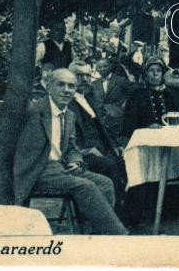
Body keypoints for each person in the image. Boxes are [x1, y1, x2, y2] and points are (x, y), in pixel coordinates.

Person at [13, 68, 128, 235]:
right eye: (61, 85)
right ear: (49, 86)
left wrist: (75, 161)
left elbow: (72, 147)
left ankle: (98, 232)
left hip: (61, 167)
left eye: (71, 86)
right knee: (86, 186)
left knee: (106, 183)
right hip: (38, 170)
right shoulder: (33, 112)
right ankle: (118, 234)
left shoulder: (69, 115)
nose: (66, 90)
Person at [67, 62, 126, 210]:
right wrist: (84, 151)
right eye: (79, 75)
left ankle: (129, 209)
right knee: (110, 165)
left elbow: (104, 127)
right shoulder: (66, 102)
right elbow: (65, 136)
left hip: (102, 147)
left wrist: (115, 146)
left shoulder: (90, 97)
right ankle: (114, 213)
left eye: (88, 75)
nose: (85, 79)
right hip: (82, 153)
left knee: (126, 159)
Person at [123, 57, 179, 136]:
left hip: (169, 135)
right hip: (145, 137)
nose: (155, 74)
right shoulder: (137, 95)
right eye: (151, 70)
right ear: (145, 74)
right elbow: (129, 124)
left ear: (163, 74)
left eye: (159, 71)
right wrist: (147, 126)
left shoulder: (168, 94)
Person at [90, 57, 135, 145]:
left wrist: (125, 105)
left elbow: (133, 94)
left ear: (110, 66)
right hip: (102, 122)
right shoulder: (94, 84)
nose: (102, 69)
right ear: (96, 69)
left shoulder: (121, 80)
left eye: (105, 66)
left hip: (119, 120)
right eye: (100, 67)